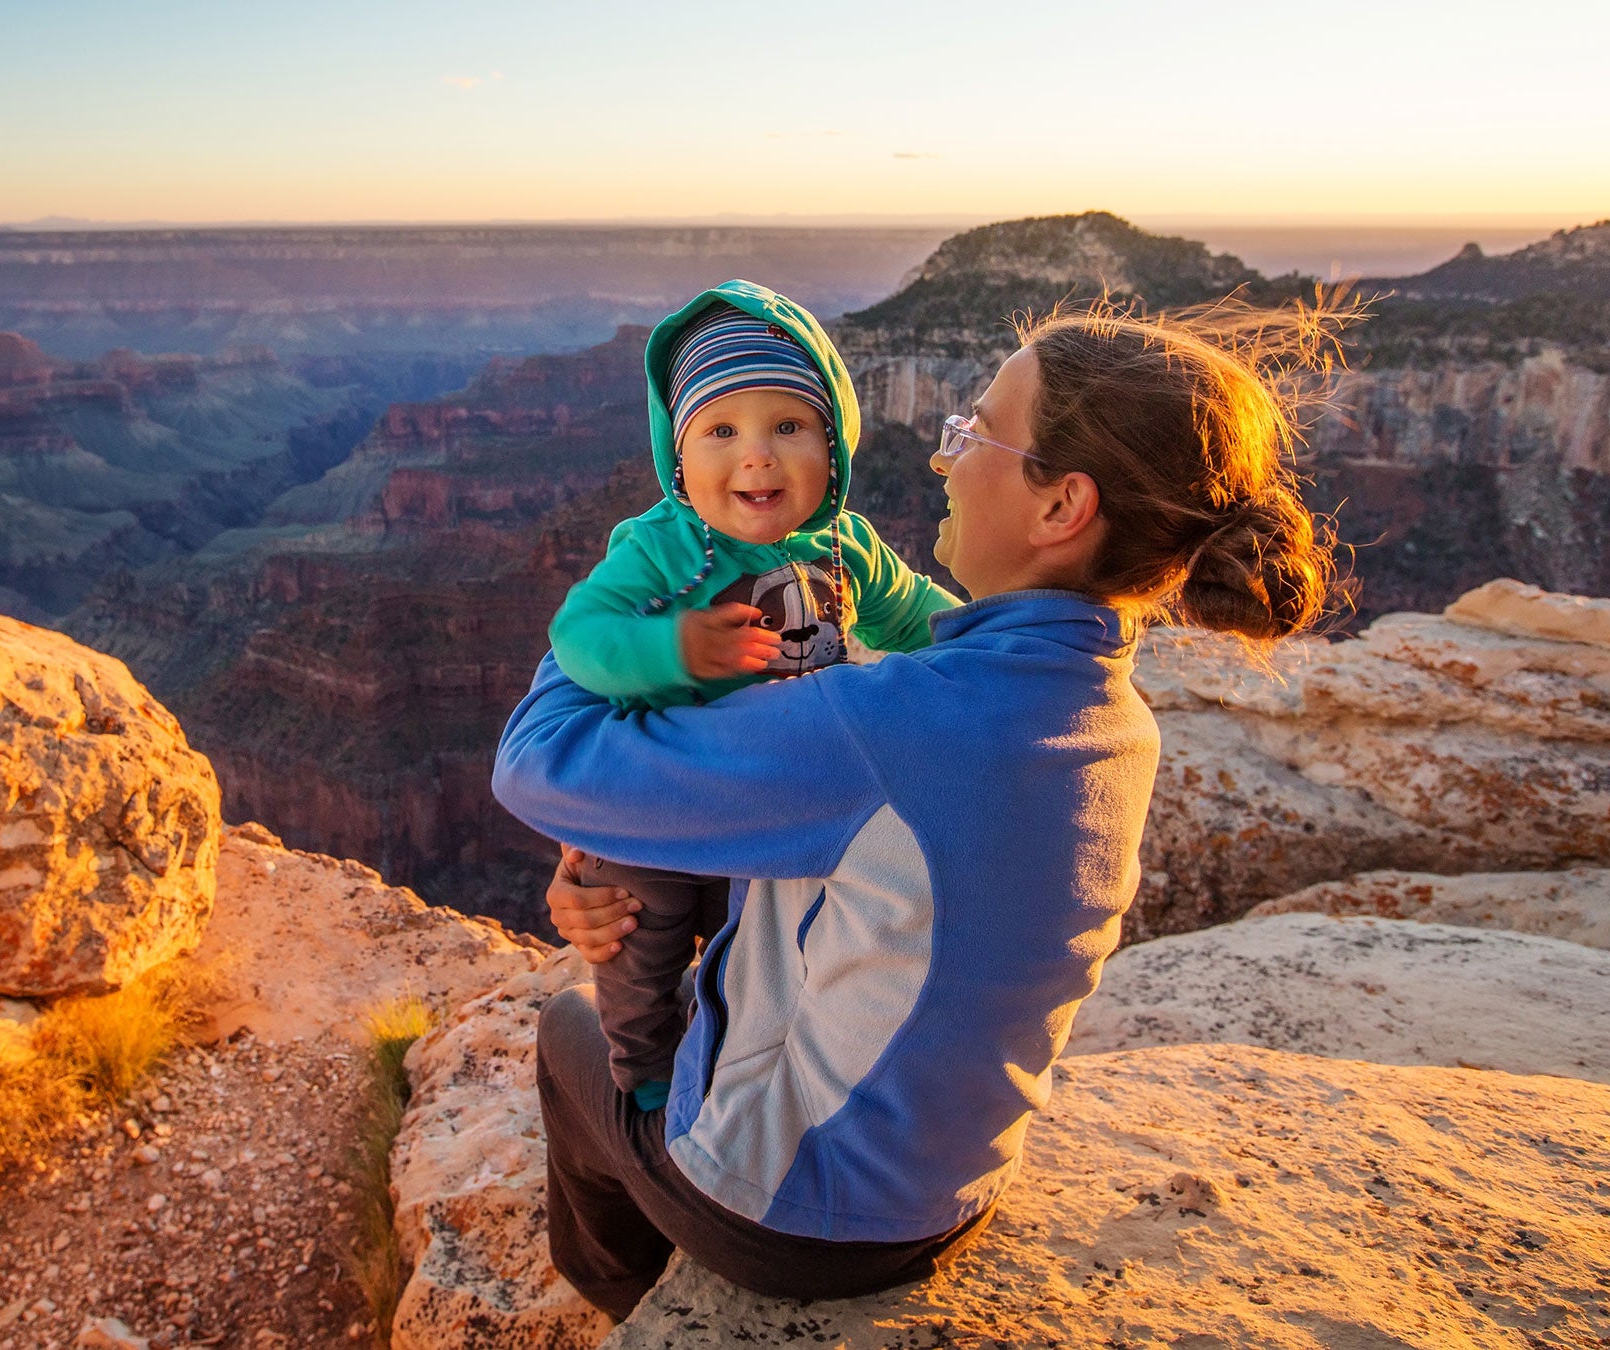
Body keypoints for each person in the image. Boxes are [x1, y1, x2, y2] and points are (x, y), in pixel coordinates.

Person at [492, 301, 1343, 1318]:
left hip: (789, 1213)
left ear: (1060, 507)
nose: (943, 460)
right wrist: (636, 840)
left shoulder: (887, 726)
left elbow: (535, 761)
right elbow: (896, 873)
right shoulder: (1112, 717)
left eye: (975, 431)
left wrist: (624, 619)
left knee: (566, 1031)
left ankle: (627, 1298)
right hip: (952, 1188)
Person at [546, 280, 957, 1112]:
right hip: (666, 806)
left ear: (835, 444)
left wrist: (995, 645)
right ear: (678, 458)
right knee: (638, 933)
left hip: (786, 806)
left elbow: (915, 613)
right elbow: (580, 634)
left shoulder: (845, 544)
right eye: (722, 430)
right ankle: (647, 1077)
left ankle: (771, 1061)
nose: (758, 455)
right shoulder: (662, 548)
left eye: (790, 426)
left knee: (786, 952)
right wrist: (673, 649)